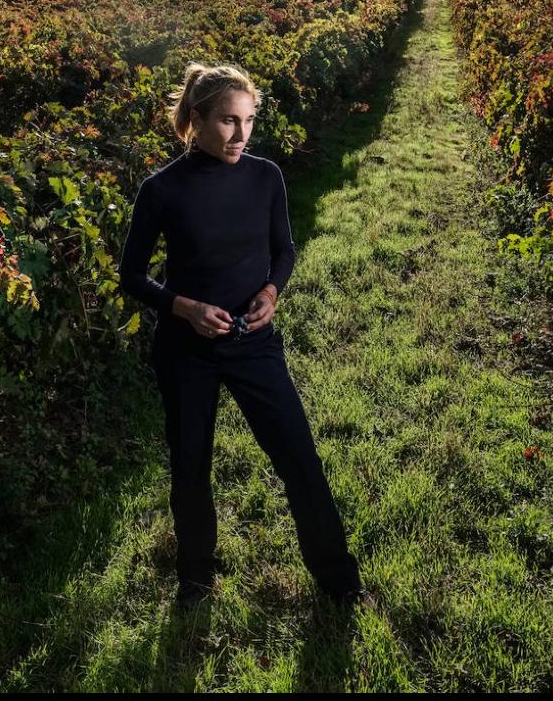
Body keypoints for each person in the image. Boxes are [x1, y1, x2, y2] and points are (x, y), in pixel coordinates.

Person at [117, 61, 369, 611]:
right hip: (187, 351)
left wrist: (272, 293)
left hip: (254, 343)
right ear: (197, 119)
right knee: (190, 467)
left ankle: (340, 582)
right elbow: (130, 275)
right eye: (228, 122)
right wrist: (182, 308)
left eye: (248, 121)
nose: (241, 134)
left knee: (299, 458)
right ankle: (196, 580)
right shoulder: (161, 190)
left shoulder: (265, 177)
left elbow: (284, 250)